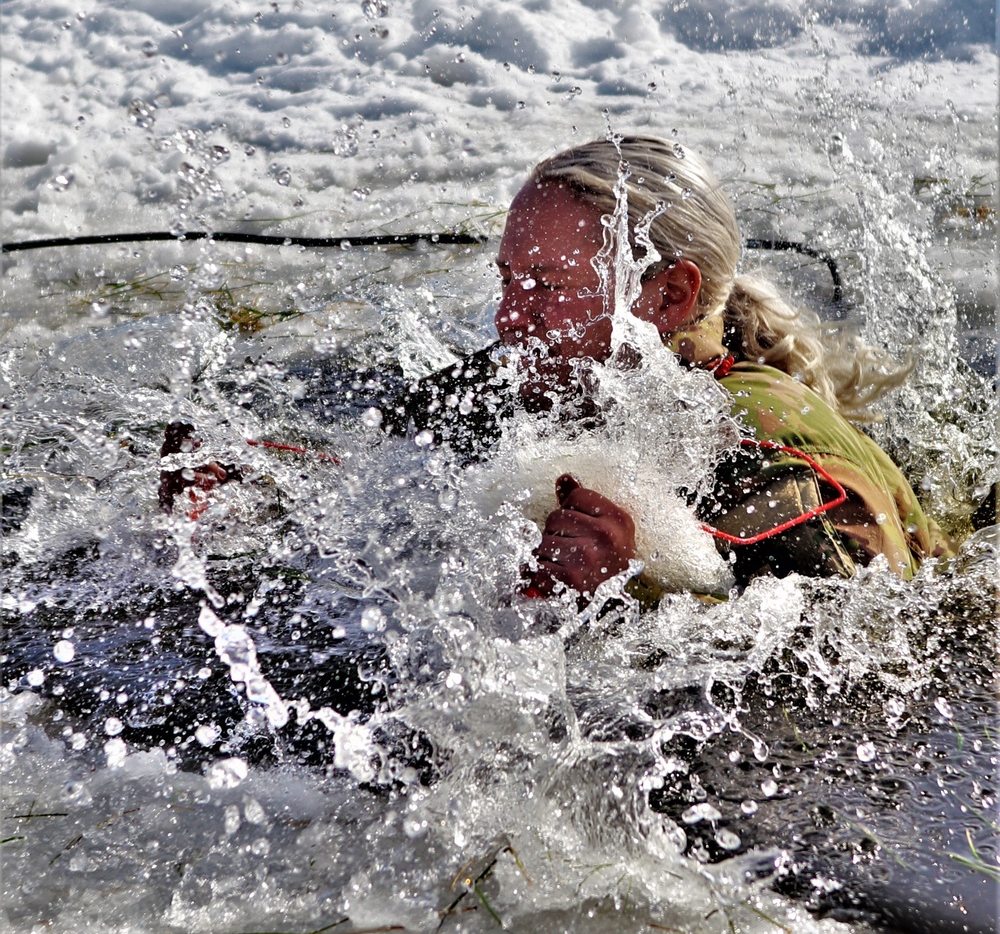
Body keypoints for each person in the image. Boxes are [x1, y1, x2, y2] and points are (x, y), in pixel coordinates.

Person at [161, 136, 947, 598]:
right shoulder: (535, 377)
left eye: (549, 288)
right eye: (509, 281)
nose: (511, 318)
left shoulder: (764, 439)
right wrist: (266, 491)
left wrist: (639, 578)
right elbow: (385, 486)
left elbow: (871, 637)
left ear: (668, 295)